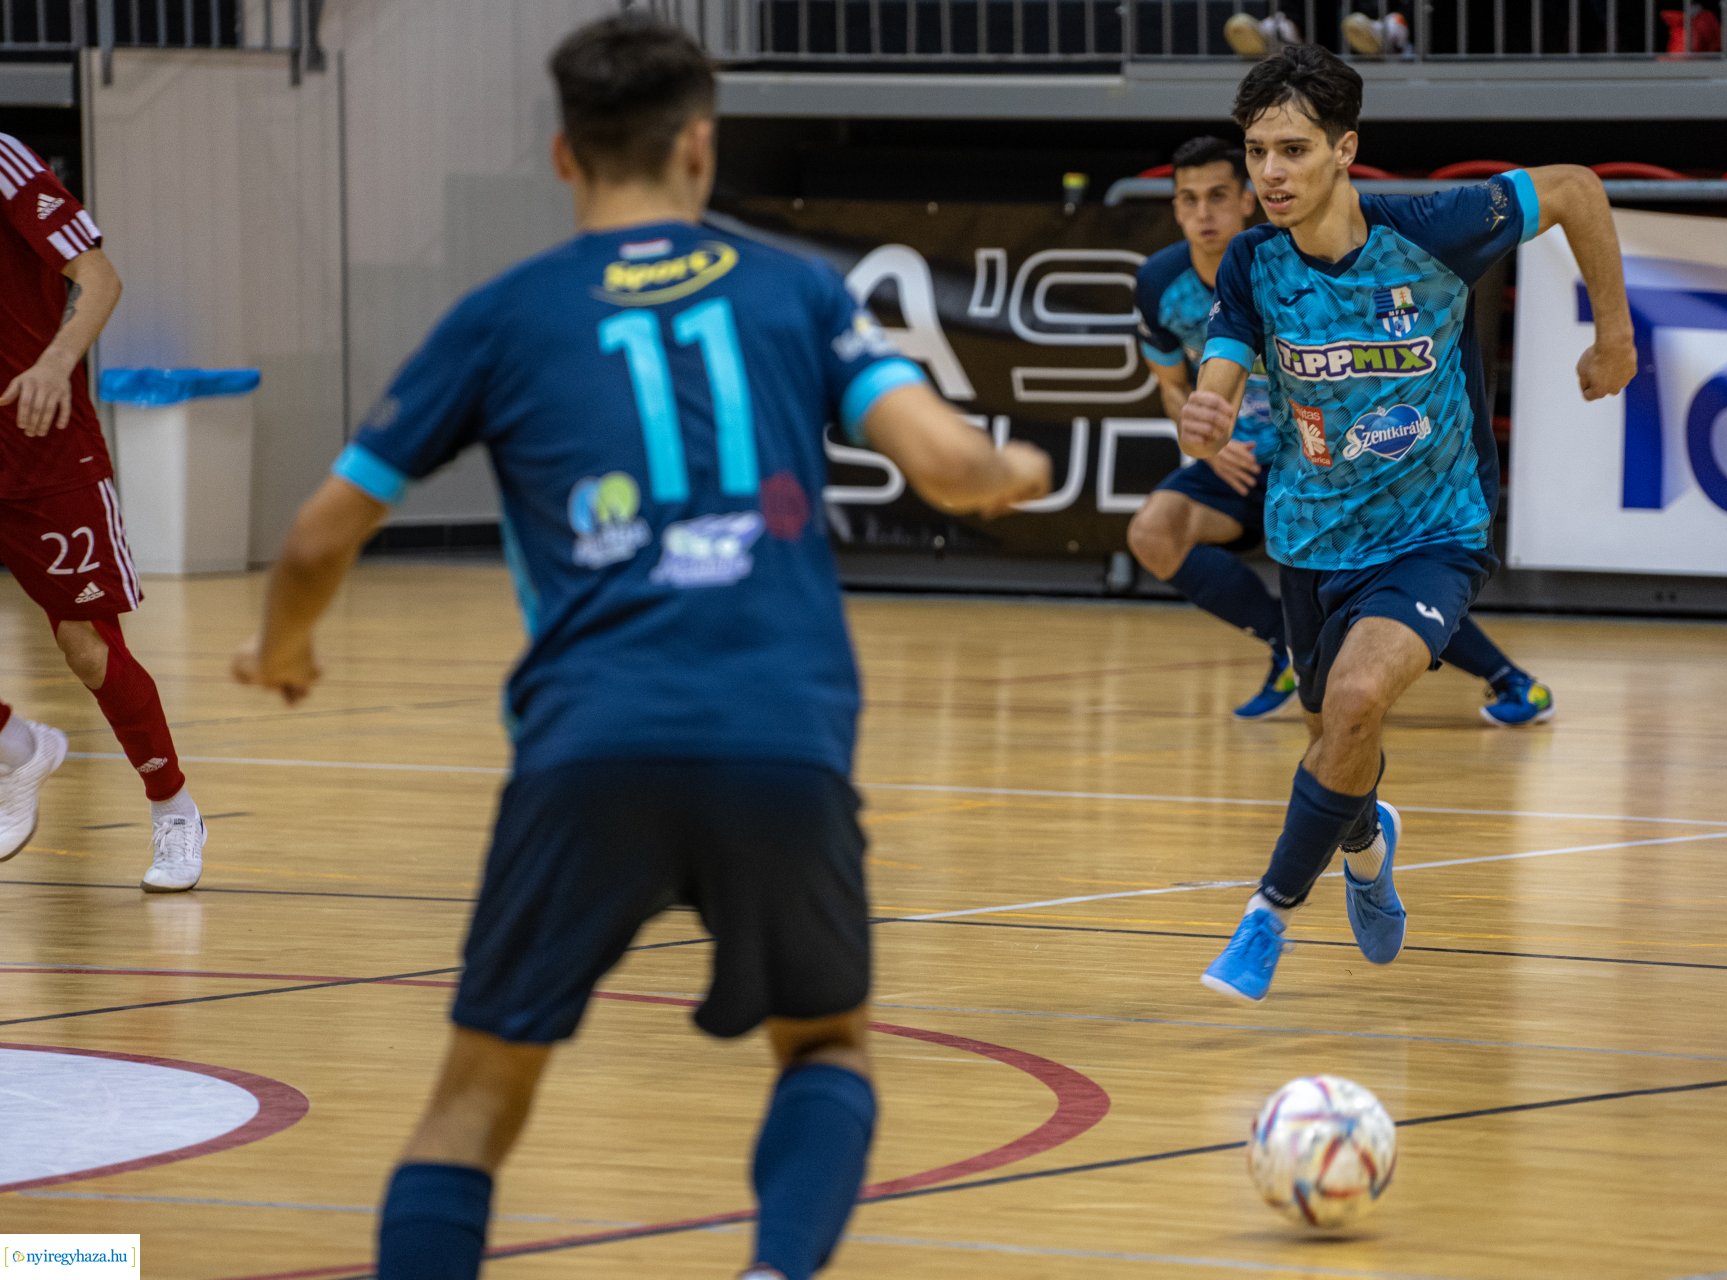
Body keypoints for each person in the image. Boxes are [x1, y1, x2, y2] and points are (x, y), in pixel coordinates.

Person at [233, 15, 1048, 1280]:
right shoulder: (795, 288)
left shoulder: (502, 316)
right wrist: (1012, 467)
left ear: (564, 156)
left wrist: (284, 649)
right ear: (700, 146)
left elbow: (317, 532)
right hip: (782, 738)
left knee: (472, 1103)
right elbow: (946, 463)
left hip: (587, 747)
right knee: (827, 1047)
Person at [1181, 46, 1634, 1002]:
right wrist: (1209, 406)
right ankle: (1365, 844)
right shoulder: (1257, 261)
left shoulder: (1437, 228)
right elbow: (1224, 354)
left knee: (1353, 704)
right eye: (1258, 150)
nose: (1270, 172)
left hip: (1435, 532)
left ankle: (1265, 916)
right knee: (1333, 745)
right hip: (1310, 539)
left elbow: (1583, 191)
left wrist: (1615, 334)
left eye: (1293, 150)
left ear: (1346, 150)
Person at [1128, 136, 1555, 725]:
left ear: (1248, 199)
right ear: (1174, 208)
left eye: (1219, 197)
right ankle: (1285, 645)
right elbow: (1171, 384)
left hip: (1329, 463)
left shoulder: (1290, 258)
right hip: (1243, 463)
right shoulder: (1159, 283)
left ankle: (1507, 676)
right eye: (1189, 200)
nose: (1204, 214)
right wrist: (1202, 434)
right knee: (1153, 531)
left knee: (1380, 579)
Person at [0, 132, 205, 890]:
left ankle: (173, 808)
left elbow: (99, 276)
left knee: (87, 647)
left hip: (44, 447)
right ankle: (17, 750)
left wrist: (55, 363)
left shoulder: (3, 163)